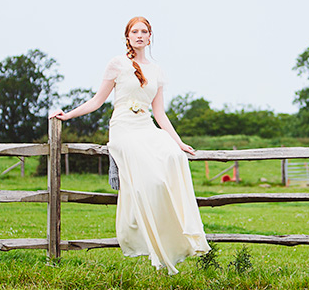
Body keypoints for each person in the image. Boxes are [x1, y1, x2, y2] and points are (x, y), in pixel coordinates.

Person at [49, 16, 210, 274]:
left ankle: (177, 234)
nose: (139, 35)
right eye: (134, 31)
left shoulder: (157, 71)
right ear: (128, 36)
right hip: (123, 127)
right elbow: (97, 101)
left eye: (144, 31)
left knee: (174, 157)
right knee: (152, 181)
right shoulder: (117, 64)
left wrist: (179, 142)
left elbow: (160, 113)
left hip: (146, 126)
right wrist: (67, 115)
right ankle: (147, 236)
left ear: (150, 37)